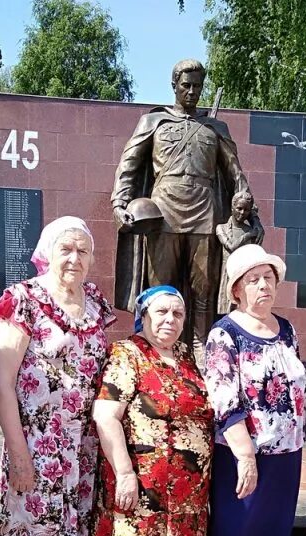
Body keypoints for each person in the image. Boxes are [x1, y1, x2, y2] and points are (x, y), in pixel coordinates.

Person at [0, 216, 114, 536]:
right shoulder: (25, 299)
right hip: (38, 445)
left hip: (81, 443)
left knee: (72, 530)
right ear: (47, 251)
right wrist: (18, 452)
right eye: (66, 249)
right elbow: (2, 383)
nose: (75, 258)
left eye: (83, 250)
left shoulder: (96, 303)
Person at [81, 286, 213, 536]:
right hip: (143, 480)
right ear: (143, 315)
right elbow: (106, 415)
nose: (170, 320)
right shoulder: (128, 354)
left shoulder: (187, 356)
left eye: (178, 314)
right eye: (161, 312)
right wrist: (124, 472)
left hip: (188, 486)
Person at [201, 244, 306, 536]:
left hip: (287, 452)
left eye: (269, 278)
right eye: (253, 279)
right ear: (236, 290)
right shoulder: (225, 334)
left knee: (265, 529)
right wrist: (245, 455)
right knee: (232, 531)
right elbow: (224, 399)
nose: (264, 286)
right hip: (243, 454)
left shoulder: (286, 329)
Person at [112, 58, 254, 350]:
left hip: (204, 215)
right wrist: (119, 206)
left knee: (204, 289)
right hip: (162, 214)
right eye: (186, 85)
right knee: (159, 290)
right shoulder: (154, 121)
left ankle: (202, 349)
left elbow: (235, 174)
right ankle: (152, 348)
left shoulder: (215, 128)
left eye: (198, 86)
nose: (192, 91)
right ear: (174, 85)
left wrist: (244, 199)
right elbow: (129, 166)